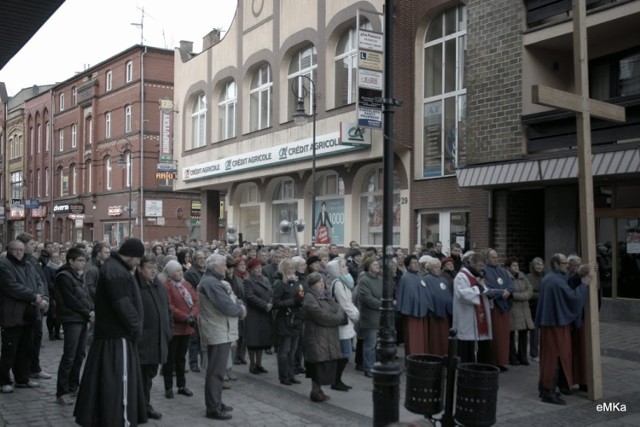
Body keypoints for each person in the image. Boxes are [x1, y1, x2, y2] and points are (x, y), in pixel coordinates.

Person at [73, 238, 147, 427]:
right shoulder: (116, 271)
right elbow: (123, 305)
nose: (138, 263)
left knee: (108, 380)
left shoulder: (114, 268)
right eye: (138, 258)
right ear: (130, 255)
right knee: (117, 383)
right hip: (117, 337)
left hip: (113, 336)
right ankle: (119, 420)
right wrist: (136, 327)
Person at [535, 253, 590, 405]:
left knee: (553, 357)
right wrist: (584, 285)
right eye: (564, 263)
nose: (567, 265)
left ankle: (547, 388)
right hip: (555, 326)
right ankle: (548, 391)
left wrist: (578, 275)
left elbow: (568, 281)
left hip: (552, 323)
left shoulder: (553, 277)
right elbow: (572, 298)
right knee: (555, 358)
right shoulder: (555, 281)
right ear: (555, 265)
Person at [198, 254, 246, 420]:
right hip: (217, 330)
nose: (226, 268)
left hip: (219, 330)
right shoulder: (211, 282)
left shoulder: (213, 281)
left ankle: (216, 401)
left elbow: (233, 300)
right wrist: (240, 310)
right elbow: (227, 306)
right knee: (216, 372)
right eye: (224, 265)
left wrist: (238, 305)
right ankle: (213, 407)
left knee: (218, 370)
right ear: (214, 266)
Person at [0, 240, 48, 393]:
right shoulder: (4, 265)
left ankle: (23, 378)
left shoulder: (28, 264)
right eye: (15, 249)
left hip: (29, 313)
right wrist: (34, 297)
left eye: (21, 249)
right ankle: (4, 381)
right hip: (12, 314)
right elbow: (12, 287)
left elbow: (39, 281)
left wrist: (41, 296)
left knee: (26, 348)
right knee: (10, 350)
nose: (18, 252)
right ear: (9, 250)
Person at [54, 248, 93, 405]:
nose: (83, 263)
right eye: (80, 260)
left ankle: (73, 386)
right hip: (72, 319)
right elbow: (71, 300)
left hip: (81, 318)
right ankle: (62, 391)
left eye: (84, 261)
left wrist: (91, 309)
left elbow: (85, 296)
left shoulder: (78, 276)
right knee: (69, 356)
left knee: (80, 354)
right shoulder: (64, 276)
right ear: (70, 261)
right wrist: (88, 312)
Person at [136, 254, 172, 420]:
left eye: (155, 267)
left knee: (149, 376)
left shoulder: (158, 285)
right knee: (140, 377)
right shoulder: (135, 285)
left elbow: (167, 309)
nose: (153, 270)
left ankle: (145, 405)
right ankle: (141, 407)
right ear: (139, 268)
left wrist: (168, 330)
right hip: (143, 341)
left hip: (159, 338)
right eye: (149, 267)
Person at [303, 272, 348, 402]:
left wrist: (337, 316)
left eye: (322, 282)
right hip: (316, 336)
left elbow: (338, 308)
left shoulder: (326, 295)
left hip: (329, 336)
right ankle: (315, 391)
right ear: (312, 285)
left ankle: (319, 390)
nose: (322, 285)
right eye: (319, 283)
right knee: (317, 365)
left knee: (325, 365)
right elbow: (322, 316)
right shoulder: (309, 298)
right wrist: (337, 318)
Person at [16, 233, 51, 381]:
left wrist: (44, 297)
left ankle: (34, 367)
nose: (34, 246)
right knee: (26, 341)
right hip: (29, 305)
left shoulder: (32, 261)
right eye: (31, 244)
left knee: (36, 337)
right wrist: (36, 298)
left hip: (38, 303)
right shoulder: (21, 262)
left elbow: (40, 280)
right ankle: (24, 370)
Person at [162, 259, 199, 399]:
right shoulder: (166, 286)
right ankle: (168, 387)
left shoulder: (186, 284)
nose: (180, 272)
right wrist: (185, 317)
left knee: (181, 358)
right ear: (171, 273)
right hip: (174, 328)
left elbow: (196, 301)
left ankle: (181, 385)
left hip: (186, 328)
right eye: (177, 271)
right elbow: (169, 306)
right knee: (170, 359)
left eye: (180, 270)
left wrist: (192, 315)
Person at [453, 251, 493, 364]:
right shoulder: (461, 276)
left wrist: (489, 294)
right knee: (467, 348)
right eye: (480, 266)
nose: (482, 268)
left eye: (482, 266)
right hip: (467, 317)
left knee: (482, 347)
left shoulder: (477, 276)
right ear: (473, 264)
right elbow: (462, 294)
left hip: (479, 315)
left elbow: (482, 290)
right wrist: (478, 288)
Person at [326, 258, 359, 391]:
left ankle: (337, 379)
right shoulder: (338, 283)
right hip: (343, 323)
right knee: (345, 354)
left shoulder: (343, 282)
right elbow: (345, 304)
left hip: (347, 322)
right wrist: (356, 315)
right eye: (343, 267)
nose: (347, 268)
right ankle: (335, 380)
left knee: (345, 353)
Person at [272, 259, 304, 386]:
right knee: (284, 350)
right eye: (289, 270)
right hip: (284, 320)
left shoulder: (295, 283)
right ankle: (283, 375)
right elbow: (276, 303)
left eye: (293, 269)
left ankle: (291, 374)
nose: (292, 272)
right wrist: (293, 301)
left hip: (295, 319)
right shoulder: (279, 284)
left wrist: (300, 299)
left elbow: (298, 296)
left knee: (293, 350)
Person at [483, 248, 515, 372]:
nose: (495, 259)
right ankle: (493, 361)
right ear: (487, 258)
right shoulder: (484, 271)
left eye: (496, 257)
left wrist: (508, 291)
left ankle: (502, 361)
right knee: (495, 335)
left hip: (505, 307)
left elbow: (511, 285)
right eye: (493, 257)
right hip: (494, 307)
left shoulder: (502, 271)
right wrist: (501, 292)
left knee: (504, 336)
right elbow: (487, 288)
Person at [243, 257, 274, 374]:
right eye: (256, 268)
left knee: (262, 340)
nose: (259, 270)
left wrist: (270, 303)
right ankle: (252, 364)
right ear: (251, 270)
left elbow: (271, 292)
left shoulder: (265, 279)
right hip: (254, 314)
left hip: (265, 313)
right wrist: (264, 305)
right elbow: (250, 297)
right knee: (253, 341)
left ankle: (259, 364)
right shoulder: (248, 281)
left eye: (260, 267)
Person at [395, 255, 430, 355]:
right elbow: (402, 295)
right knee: (412, 337)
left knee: (420, 337)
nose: (416, 265)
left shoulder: (419, 276)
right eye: (413, 263)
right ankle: (412, 357)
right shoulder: (405, 278)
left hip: (421, 311)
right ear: (408, 266)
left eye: (417, 263)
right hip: (410, 312)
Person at [505, 257, 534, 366]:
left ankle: (523, 357)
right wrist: (521, 296)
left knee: (523, 334)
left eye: (517, 265)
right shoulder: (506, 277)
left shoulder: (523, 276)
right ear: (508, 267)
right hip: (513, 309)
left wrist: (516, 296)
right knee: (511, 334)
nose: (516, 267)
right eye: (514, 265)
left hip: (524, 309)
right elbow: (509, 292)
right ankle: (512, 358)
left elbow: (530, 290)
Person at [357, 257, 383, 377]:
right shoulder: (364, 280)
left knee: (379, 344)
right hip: (370, 317)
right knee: (370, 344)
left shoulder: (381, 279)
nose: (377, 266)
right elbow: (367, 299)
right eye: (374, 264)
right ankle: (368, 368)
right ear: (368, 267)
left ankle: (378, 365)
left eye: (378, 264)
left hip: (381, 317)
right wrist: (383, 304)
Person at [423, 257, 453, 356]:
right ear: (430, 269)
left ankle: (444, 353)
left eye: (439, 267)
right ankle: (434, 354)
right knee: (435, 337)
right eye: (435, 267)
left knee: (444, 336)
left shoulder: (444, 280)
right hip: (434, 314)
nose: (438, 269)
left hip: (445, 313)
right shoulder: (426, 279)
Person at [184, 250, 207, 373]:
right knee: (194, 338)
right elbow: (190, 291)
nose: (202, 260)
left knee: (205, 337)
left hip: (206, 308)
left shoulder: (207, 272)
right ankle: (193, 363)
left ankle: (204, 362)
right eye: (199, 258)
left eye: (204, 258)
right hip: (195, 307)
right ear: (194, 260)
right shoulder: (190, 274)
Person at [526, 257, 544, 362]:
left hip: (544, 307)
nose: (539, 266)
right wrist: (542, 295)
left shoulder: (545, 276)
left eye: (541, 264)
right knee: (534, 331)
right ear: (533, 266)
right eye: (537, 264)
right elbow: (530, 293)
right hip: (533, 307)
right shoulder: (528, 277)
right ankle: (534, 353)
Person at [44, 250, 64, 340]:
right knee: (52, 315)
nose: (56, 258)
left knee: (59, 315)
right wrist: (56, 288)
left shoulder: (61, 267)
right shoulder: (47, 268)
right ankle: (50, 333)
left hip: (61, 294)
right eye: (54, 257)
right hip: (52, 294)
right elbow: (48, 282)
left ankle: (57, 332)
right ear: (51, 258)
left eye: (57, 257)